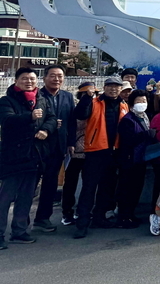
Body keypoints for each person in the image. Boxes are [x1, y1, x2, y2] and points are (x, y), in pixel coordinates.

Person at [0, 67, 57, 248]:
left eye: (32, 79)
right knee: (5, 198)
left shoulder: (41, 99)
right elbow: (7, 121)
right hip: (13, 157)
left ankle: (19, 231)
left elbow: (52, 118)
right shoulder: (6, 101)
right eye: (24, 79)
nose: (29, 82)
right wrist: (29, 117)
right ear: (16, 81)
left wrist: (46, 130)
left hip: (34, 156)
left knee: (26, 197)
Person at [73, 76, 129, 238]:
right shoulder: (94, 102)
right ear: (104, 88)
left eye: (116, 86)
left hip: (114, 152)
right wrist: (86, 98)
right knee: (89, 188)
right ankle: (82, 223)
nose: (113, 89)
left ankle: (99, 217)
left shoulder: (124, 105)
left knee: (107, 188)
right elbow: (80, 114)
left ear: (120, 89)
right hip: (95, 151)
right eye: (110, 86)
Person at [33, 63, 74, 233]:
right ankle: (21, 222)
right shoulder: (36, 95)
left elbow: (71, 122)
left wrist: (70, 143)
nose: (56, 79)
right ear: (44, 78)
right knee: (30, 185)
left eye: (60, 76)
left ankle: (42, 219)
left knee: (50, 185)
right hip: (37, 147)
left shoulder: (67, 96)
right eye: (52, 75)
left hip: (58, 147)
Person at [117, 89, 158, 229]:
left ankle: (131, 214)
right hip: (130, 160)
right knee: (127, 189)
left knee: (136, 188)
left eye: (144, 101)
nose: (142, 103)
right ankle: (124, 217)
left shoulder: (145, 117)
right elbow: (128, 140)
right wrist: (147, 134)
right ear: (132, 103)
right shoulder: (127, 120)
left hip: (141, 159)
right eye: (138, 101)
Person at [62, 81, 95, 226]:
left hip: (91, 152)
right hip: (74, 152)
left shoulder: (97, 106)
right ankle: (67, 212)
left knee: (88, 185)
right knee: (70, 184)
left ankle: (82, 211)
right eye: (85, 93)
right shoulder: (75, 108)